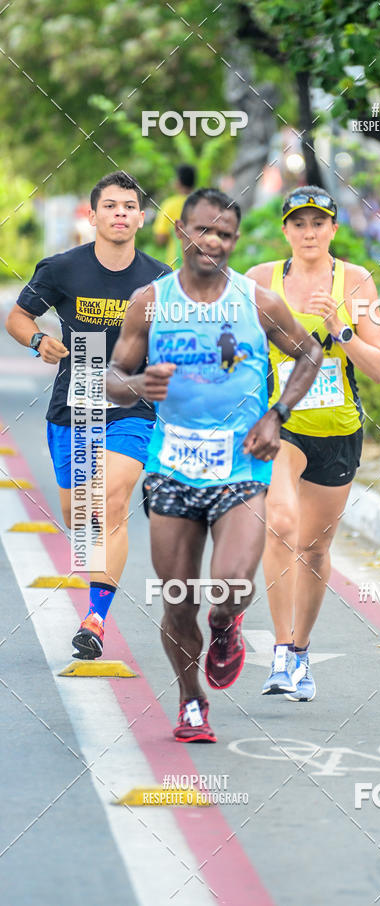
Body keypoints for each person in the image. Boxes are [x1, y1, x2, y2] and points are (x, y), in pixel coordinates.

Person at [105, 187, 322, 742]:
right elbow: (111, 378)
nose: (213, 242)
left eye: (225, 234)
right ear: (182, 232)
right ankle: (191, 700)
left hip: (240, 468)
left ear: (235, 241)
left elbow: (310, 353)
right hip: (173, 468)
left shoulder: (258, 301)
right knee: (178, 599)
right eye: (204, 230)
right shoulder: (149, 301)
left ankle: (225, 627)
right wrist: (136, 384)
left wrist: (277, 415)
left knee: (227, 586)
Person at [6, 171, 170, 659]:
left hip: (130, 405)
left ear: (141, 218)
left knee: (110, 503)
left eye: (129, 206)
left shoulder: (161, 278)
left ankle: (95, 620)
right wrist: (38, 340)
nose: (120, 213)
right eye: (111, 206)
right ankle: (95, 583)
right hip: (72, 406)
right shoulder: (61, 269)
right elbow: (18, 316)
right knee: (82, 519)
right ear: (93, 214)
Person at [246, 186, 380, 701]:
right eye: (299, 224)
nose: (309, 233)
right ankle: (281, 652)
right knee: (280, 525)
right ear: (285, 230)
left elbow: (379, 368)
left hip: (339, 430)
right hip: (282, 424)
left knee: (314, 546)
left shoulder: (356, 282)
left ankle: (301, 652)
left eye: (318, 223)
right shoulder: (261, 280)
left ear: (333, 229)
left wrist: (339, 328)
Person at [153, 164, 196, 269]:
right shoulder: (201, 203)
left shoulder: (169, 205)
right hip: (198, 266)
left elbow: (160, 238)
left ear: (178, 182)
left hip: (175, 266)